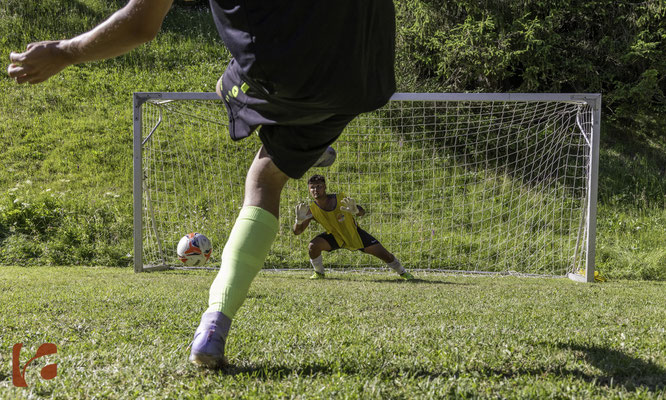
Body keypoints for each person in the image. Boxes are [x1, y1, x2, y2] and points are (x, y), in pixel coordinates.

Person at [7, 0, 396, 369]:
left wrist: (65, 51)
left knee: (227, 95)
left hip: (282, 71)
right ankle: (310, 147)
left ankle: (215, 323)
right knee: (268, 172)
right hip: (368, 74)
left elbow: (142, 25)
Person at [293, 174, 414, 281]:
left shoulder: (340, 198)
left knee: (385, 255)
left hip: (355, 234)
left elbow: (362, 212)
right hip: (335, 237)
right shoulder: (311, 209)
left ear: (325, 187)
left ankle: (403, 272)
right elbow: (297, 232)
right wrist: (298, 221)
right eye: (312, 187)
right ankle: (319, 273)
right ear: (309, 189)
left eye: (319, 186)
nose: (315, 189)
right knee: (313, 246)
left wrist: (356, 210)